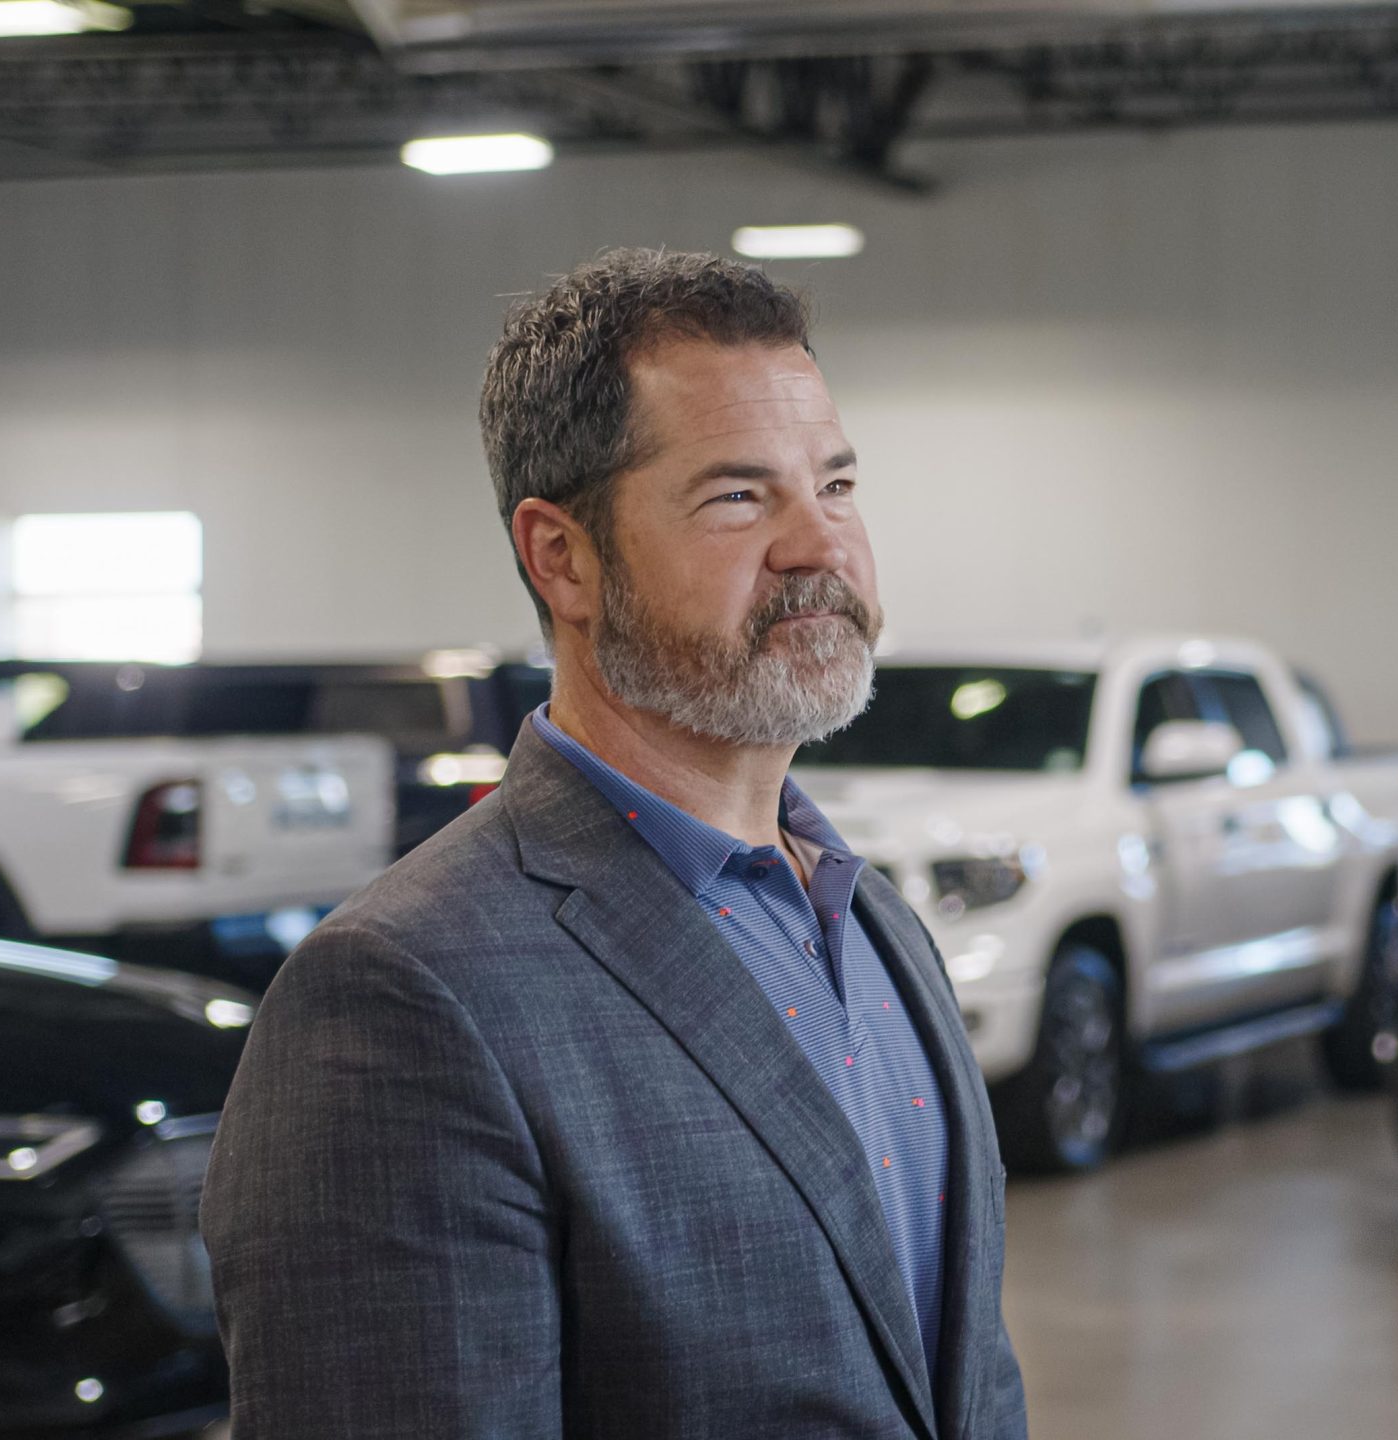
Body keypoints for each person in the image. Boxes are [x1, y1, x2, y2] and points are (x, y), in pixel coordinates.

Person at [201, 248, 1029, 1440]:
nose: (819, 547)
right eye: (739, 496)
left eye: (835, 486)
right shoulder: (403, 996)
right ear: (562, 557)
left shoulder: (874, 921)